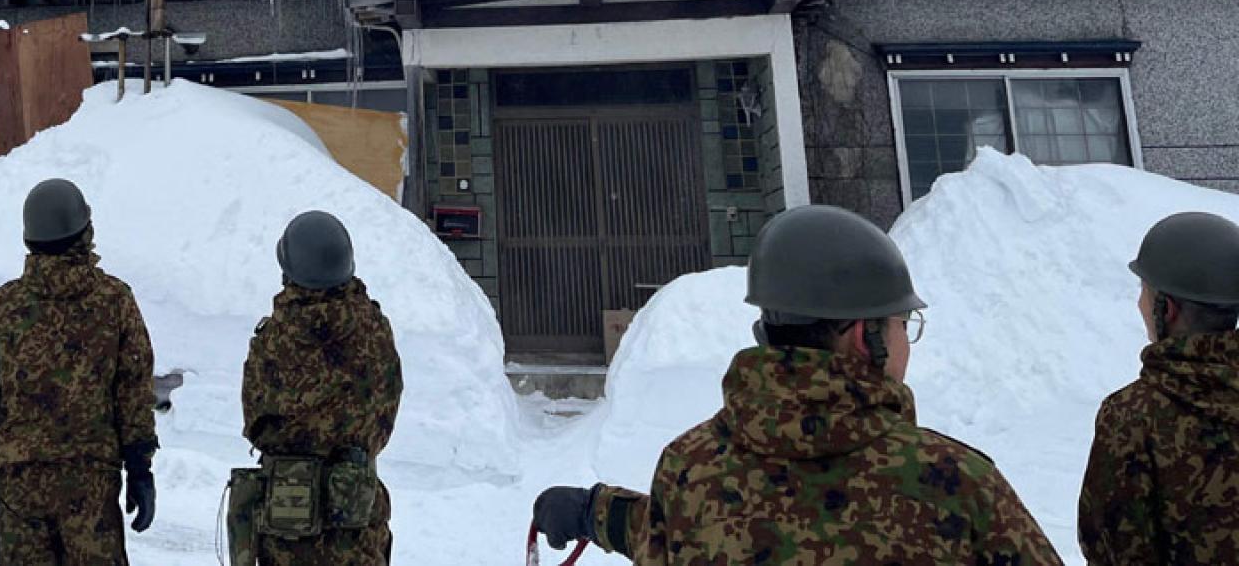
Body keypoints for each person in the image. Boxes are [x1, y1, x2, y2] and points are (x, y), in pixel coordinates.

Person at [531, 204, 1060, 564]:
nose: (905, 340)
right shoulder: (956, 484)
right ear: (863, 335)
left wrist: (592, 511)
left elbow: (678, 535)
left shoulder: (691, 469)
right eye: (902, 323)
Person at [0, 178, 157, 564]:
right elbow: (133, 393)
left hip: (19, 484)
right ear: (85, 231)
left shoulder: (6, 305)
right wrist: (139, 467)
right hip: (91, 481)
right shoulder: (114, 300)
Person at [237, 211, 401, 566]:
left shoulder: (276, 339)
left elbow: (257, 424)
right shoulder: (374, 330)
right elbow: (386, 411)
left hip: (288, 527)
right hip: (357, 522)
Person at [1078, 211, 1239, 564]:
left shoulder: (1133, 416)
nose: (1139, 304)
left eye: (1145, 293)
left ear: (1167, 310)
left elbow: (1111, 547)